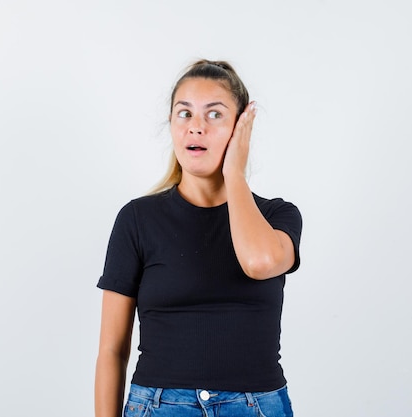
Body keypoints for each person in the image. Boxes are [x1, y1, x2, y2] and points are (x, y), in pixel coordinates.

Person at [95, 59, 302, 417]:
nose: (196, 127)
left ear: (241, 128)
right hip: (159, 407)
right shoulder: (137, 220)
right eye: (184, 114)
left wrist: (233, 171)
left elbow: (259, 262)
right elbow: (112, 350)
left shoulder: (277, 216)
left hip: (256, 408)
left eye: (215, 115)